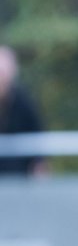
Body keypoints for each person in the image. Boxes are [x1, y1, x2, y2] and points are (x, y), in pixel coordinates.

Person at [0, 46, 47, 176]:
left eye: (3, 73)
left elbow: (37, 134)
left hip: (19, 176)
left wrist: (39, 166)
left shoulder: (24, 101)